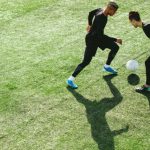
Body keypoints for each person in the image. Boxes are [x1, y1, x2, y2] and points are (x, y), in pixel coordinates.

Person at [66, 1, 122, 89]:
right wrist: (115, 39)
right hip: (92, 40)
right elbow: (101, 36)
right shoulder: (102, 18)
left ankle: (106, 66)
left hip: (97, 37)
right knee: (86, 61)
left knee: (115, 47)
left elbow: (91, 13)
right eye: (114, 12)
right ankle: (70, 79)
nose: (114, 14)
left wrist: (89, 24)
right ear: (109, 9)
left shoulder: (101, 10)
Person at [129, 11, 150, 92]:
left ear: (134, 20)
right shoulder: (145, 25)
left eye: (131, 22)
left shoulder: (147, 27)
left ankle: (147, 86)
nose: (131, 24)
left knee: (148, 63)